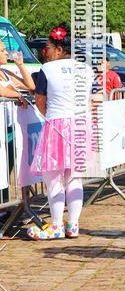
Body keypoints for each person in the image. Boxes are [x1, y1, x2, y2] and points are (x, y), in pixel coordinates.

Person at [27, 24, 94, 240]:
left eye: (47, 48)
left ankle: (56, 224)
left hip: (57, 123)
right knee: (74, 177)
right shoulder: (86, 69)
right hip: (81, 124)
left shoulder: (47, 69)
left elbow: (40, 99)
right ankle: (73, 224)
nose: (44, 52)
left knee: (53, 177)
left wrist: (49, 115)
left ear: (58, 49)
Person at [0, 42, 35, 204]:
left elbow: (30, 86)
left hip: (9, 126)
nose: (6, 53)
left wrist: (21, 65)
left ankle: (4, 205)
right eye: (2, 50)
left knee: (6, 168)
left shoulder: (5, 72)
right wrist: (17, 95)